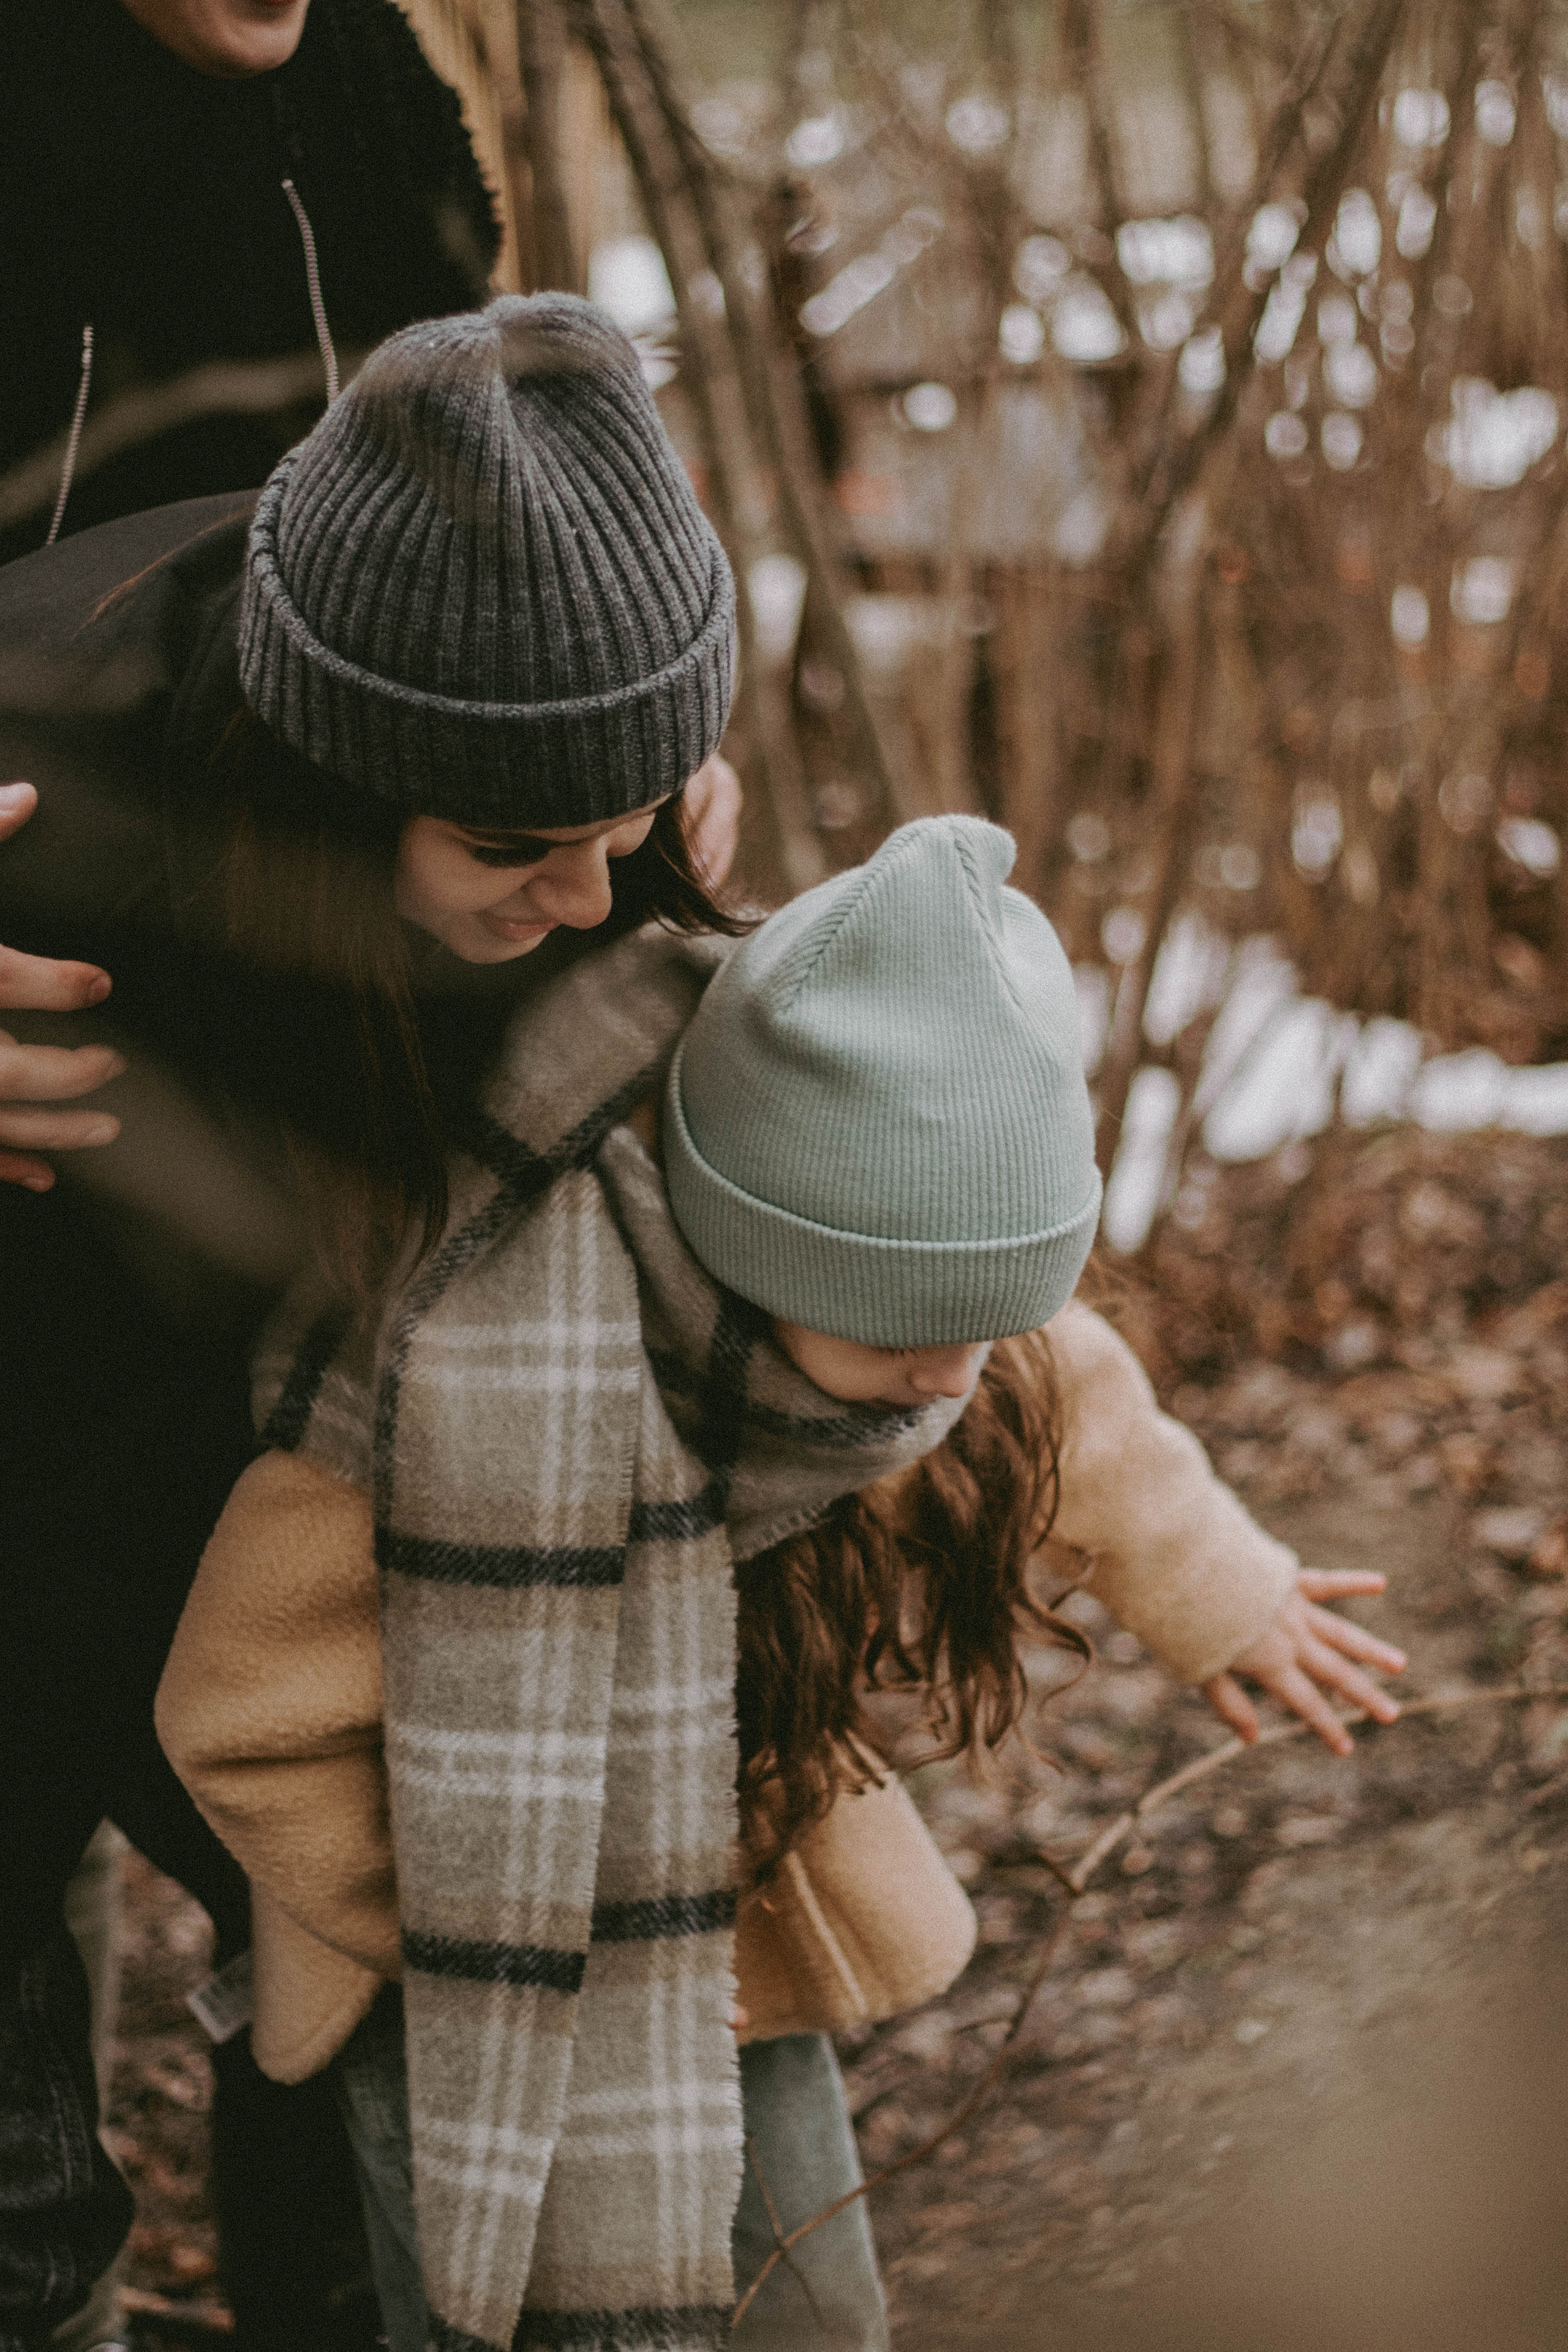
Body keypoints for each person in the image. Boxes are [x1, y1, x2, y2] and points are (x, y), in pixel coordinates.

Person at [155, 818, 1405, 2350]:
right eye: (901, 1334)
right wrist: (505, 1924)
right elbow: (243, 1714)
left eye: (982, 1323)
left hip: (733, 1910)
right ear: (755, 1248)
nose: (943, 1377)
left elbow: (1074, 1402)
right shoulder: (444, 1386)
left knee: (807, 2307)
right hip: (458, 1989)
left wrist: (1226, 1592)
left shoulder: (919, 1323)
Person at [0, 295, 742, 2351]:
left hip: (251, 1508)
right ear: (335, 769)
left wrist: (627, 818)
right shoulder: (40, 756)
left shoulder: (581, 748)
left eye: (631, 814)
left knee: (372, 2034)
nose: (589, 899)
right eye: (518, 846)